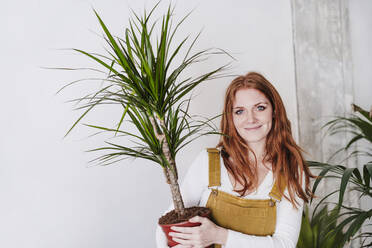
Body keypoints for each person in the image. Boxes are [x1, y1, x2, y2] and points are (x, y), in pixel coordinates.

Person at [156, 72, 314, 248]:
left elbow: (284, 244)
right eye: (240, 111)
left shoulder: (291, 170)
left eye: (260, 108)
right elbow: (166, 227)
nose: (251, 119)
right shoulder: (208, 162)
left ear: (275, 111)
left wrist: (220, 236)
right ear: (231, 118)